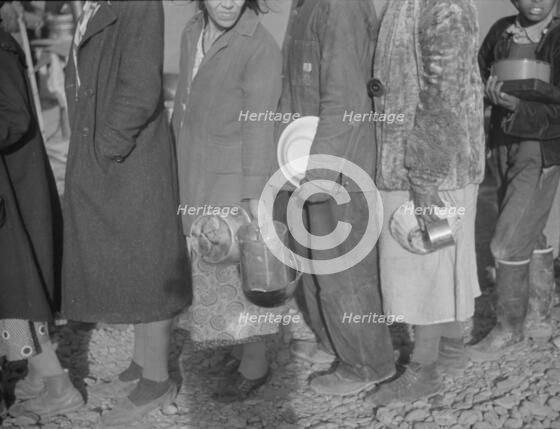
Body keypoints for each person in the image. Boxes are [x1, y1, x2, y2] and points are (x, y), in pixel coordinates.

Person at [61, 1, 192, 426]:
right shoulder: (92, 4)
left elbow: (139, 88)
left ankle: (157, 380)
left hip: (129, 157)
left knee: (147, 263)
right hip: (109, 154)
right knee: (131, 261)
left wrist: (107, 146)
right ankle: (140, 365)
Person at [366, 0, 484, 403]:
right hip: (418, 166)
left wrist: (426, 178)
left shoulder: (444, 7)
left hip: (431, 171)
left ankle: (424, 368)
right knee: (437, 262)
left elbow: (443, 95)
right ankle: (450, 347)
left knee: (426, 268)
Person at [276, 0, 396, 396]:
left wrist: (320, 172)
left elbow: (344, 101)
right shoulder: (305, 6)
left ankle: (368, 362)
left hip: (338, 166)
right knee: (316, 266)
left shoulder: (340, 8)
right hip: (306, 160)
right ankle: (334, 344)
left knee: (344, 272)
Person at [171, 0, 282, 402]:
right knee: (208, 270)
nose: (227, 1)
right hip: (194, 170)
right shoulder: (190, 32)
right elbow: (182, 103)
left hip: (232, 178)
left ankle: (255, 367)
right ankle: (236, 347)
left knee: (237, 275)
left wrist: (253, 196)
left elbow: (260, 125)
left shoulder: (260, 46)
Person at [469, 0, 560, 360]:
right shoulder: (501, 33)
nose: (535, 1)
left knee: (507, 240)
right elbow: (475, 76)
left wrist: (520, 106)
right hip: (504, 141)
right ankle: (539, 311)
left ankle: (509, 328)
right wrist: (490, 98)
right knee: (529, 228)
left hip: (542, 148)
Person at [0, 0, 83, 418]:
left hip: (10, 195)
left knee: (16, 294)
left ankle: (57, 384)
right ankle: (36, 375)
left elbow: (13, 117)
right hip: (11, 191)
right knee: (15, 291)